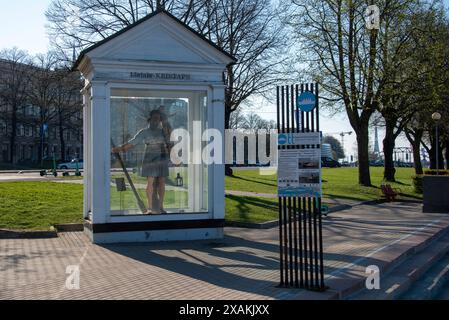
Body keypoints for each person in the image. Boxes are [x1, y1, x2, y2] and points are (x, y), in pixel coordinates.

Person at [112, 109, 170, 214]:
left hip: (161, 158)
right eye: (154, 119)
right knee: (150, 182)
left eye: (158, 119)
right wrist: (120, 148)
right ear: (150, 119)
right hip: (150, 159)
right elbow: (132, 142)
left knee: (162, 182)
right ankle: (150, 208)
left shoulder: (163, 131)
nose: (156, 121)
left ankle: (161, 207)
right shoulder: (144, 132)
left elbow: (170, 143)